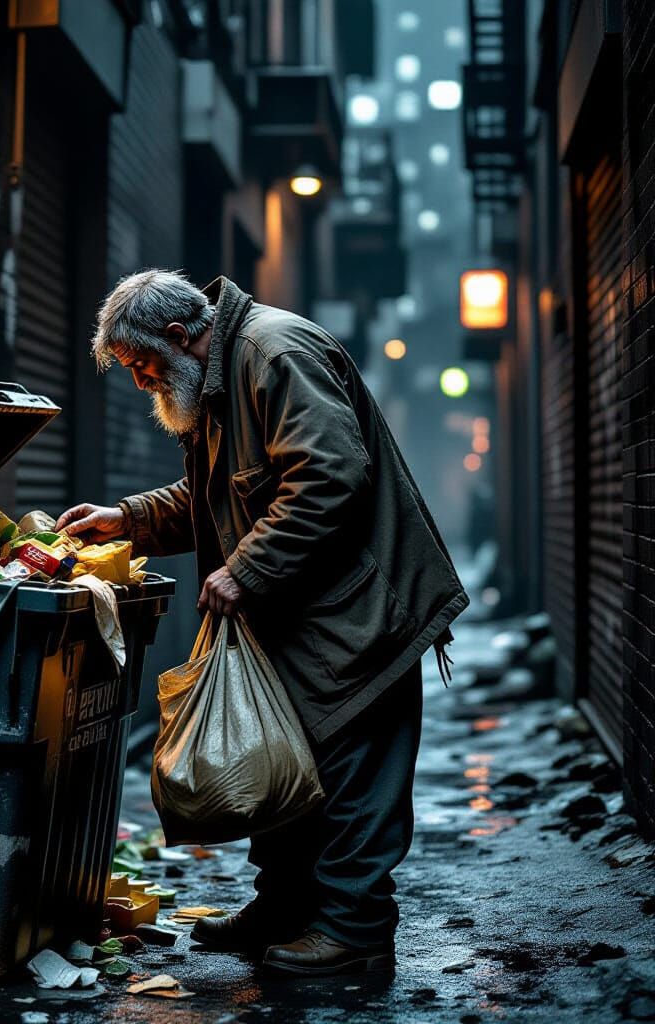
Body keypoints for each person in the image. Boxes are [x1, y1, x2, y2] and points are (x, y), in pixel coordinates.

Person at [56, 270, 467, 977]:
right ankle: (283, 905)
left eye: (141, 365)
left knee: (352, 776)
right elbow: (216, 492)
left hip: (363, 615)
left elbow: (331, 475)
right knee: (287, 764)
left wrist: (247, 569)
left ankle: (355, 935)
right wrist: (127, 518)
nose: (141, 382)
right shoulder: (218, 376)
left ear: (179, 337)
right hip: (309, 616)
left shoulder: (275, 355)